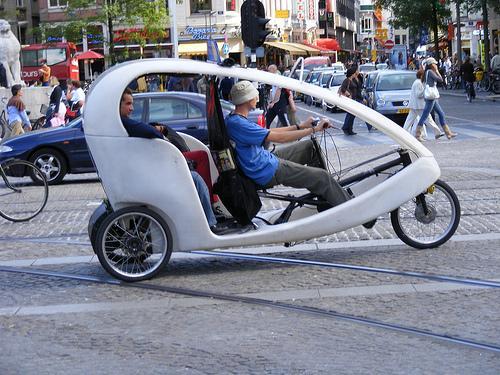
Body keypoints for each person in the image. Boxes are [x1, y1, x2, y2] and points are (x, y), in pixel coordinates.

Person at [225, 81, 377, 228]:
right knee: (322, 177)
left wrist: (301, 126)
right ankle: (360, 214)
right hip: (266, 170)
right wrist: (313, 130)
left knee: (309, 146)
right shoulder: (239, 124)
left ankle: (327, 197)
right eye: (254, 96)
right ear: (247, 99)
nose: (257, 98)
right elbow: (279, 138)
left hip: (263, 161)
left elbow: (271, 132)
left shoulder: (236, 119)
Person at [119, 88, 225, 234]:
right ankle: (211, 222)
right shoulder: (125, 122)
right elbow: (152, 132)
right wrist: (159, 129)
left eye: (132, 104)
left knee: (199, 162)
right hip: (153, 170)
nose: (131, 108)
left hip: (152, 165)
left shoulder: (124, 123)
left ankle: (209, 207)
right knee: (196, 177)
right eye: (128, 104)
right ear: (119, 106)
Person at [415, 58, 457, 141]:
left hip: (431, 97)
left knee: (441, 114)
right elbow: (440, 80)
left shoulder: (427, 72)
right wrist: (437, 71)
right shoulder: (430, 72)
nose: (436, 65)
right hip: (431, 97)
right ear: (431, 64)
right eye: (435, 64)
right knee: (425, 115)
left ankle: (448, 133)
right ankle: (418, 134)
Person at [403, 68, 444, 141]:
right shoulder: (419, 83)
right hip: (419, 106)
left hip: (414, 105)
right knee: (428, 119)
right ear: (422, 76)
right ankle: (437, 133)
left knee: (410, 121)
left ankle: (404, 133)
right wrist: (425, 89)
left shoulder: (417, 82)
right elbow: (418, 94)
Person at [265, 64, 289, 128]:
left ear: (273, 70)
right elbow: (272, 91)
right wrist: (270, 102)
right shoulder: (273, 78)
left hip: (280, 103)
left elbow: (278, 91)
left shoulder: (278, 78)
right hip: (274, 103)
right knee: (267, 119)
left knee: (284, 121)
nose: (268, 72)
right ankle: (266, 134)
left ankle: (293, 135)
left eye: (269, 70)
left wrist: (273, 102)